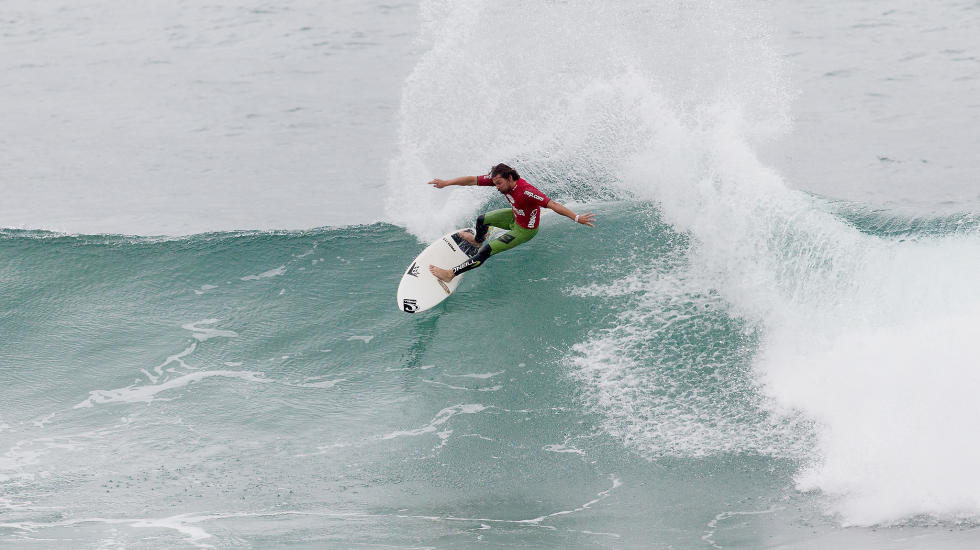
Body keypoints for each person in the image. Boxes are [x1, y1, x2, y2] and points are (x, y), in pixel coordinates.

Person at [427, 163, 595, 282]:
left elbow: (553, 204)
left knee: (486, 251)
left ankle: (451, 274)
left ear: (509, 178)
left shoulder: (527, 191)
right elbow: (472, 180)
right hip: (514, 216)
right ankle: (477, 240)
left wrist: (576, 217)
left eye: (499, 183)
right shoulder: (499, 180)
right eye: (495, 183)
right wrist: (446, 183)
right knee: (482, 220)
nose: (497, 187)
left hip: (524, 230)